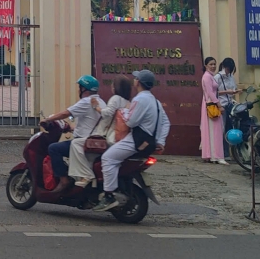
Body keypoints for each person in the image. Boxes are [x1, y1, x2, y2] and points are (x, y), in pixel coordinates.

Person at [93, 70, 170, 212]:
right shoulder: (156, 101)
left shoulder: (139, 99)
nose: (134, 80)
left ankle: (109, 196)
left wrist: (123, 111)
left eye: (135, 78)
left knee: (108, 158)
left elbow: (131, 122)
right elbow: (166, 122)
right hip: (149, 142)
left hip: (136, 140)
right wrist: (161, 141)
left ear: (138, 82)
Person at [41, 75, 106, 190]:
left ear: (84, 89)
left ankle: (63, 180)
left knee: (53, 148)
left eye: (79, 87)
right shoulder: (101, 102)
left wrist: (48, 119)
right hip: (95, 141)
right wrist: (71, 128)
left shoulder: (86, 101)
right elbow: (89, 123)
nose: (78, 90)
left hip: (83, 142)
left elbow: (66, 113)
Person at [200, 57, 227, 164]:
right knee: (214, 131)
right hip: (211, 105)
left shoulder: (210, 76)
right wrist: (219, 105)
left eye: (214, 64)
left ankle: (214, 155)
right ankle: (216, 156)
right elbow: (210, 92)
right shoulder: (207, 77)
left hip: (211, 103)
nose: (213, 66)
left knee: (215, 131)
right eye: (211, 64)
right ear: (206, 66)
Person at [93, 77, 133, 143]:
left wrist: (96, 107)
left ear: (116, 88)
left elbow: (107, 113)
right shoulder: (128, 102)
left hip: (110, 135)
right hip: (121, 137)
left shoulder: (115, 98)